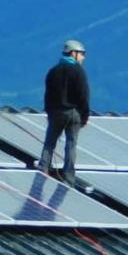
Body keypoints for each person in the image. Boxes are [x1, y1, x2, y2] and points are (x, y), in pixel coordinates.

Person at [38, 39, 90, 187]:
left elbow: (48, 95)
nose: (83, 57)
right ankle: (68, 176)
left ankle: (43, 168)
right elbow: (83, 95)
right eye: (81, 54)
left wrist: (49, 112)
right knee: (71, 144)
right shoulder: (78, 71)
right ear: (73, 53)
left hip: (55, 113)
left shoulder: (53, 71)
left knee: (49, 143)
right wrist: (84, 116)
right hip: (73, 114)